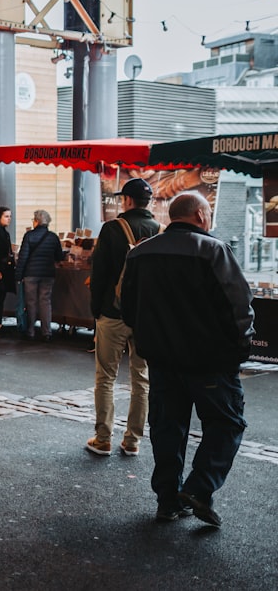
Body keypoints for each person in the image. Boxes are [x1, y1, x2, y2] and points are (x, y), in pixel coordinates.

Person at [120, 192, 253, 526]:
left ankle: (167, 501)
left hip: (162, 360)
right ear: (199, 215)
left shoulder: (140, 253)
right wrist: (240, 349)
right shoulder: (213, 250)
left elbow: (126, 306)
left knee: (167, 428)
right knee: (226, 423)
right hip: (209, 361)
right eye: (208, 213)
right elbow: (239, 307)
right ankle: (199, 488)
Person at [86, 177, 163, 459]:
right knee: (141, 378)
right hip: (144, 317)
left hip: (113, 313)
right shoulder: (161, 231)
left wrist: (97, 311)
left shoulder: (112, 229)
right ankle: (132, 441)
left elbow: (100, 275)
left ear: (127, 200)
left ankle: (103, 438)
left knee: (105, 377)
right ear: (148, 202)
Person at [14, 209, 63, 341]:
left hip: (31, 274)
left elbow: (23, 257)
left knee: (31, 302)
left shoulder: (29, 236)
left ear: (36, 221)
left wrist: (18, 275)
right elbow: (59, 256)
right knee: (45, 302)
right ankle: (46, 332)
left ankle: (30, 331)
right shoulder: (53, 237)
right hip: (48, 274)